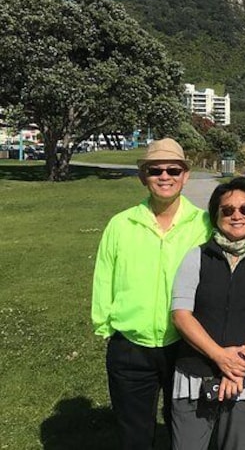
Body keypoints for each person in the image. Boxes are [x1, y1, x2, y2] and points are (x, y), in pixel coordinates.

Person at [91, 138, 212, 449]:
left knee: (184, 431)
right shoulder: (121, 224)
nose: (164, 176)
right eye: (155, 170)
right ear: (143, 176)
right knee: (135, 434)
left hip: (186, 343)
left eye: (173, 169)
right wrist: (106, 325)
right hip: (131, 344)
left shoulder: (204, 224)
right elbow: (104, 276)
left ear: (186, 175)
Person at [170, 177, 245, 449]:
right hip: (195, 373)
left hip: (244, 376)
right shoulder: (195, 257)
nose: (237, 215)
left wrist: (238, 364)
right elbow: (181, 314)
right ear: (215, 215)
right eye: (227, 210)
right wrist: (219, 356)